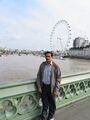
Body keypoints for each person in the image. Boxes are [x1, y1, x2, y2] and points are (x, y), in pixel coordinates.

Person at [36, 51, 61, 120]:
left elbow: (58, 79)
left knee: (52, 104)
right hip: (44, 87)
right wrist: (39, 86)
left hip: (52, 88)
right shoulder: (42, 65)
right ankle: (43, 117)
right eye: (46, 56)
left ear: (52, 57)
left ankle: (51, 117)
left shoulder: (56, 67)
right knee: (45, 103)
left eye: (49, 56)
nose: (47, 58)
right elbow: (38, 76)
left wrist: (56, 90)